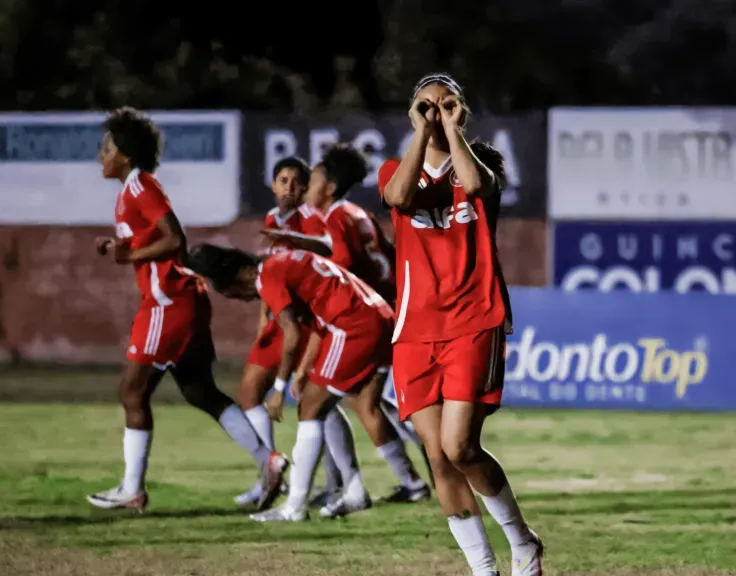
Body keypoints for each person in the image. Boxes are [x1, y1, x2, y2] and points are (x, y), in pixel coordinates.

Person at [377, 74, 543, 576]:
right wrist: (419, 135)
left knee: (460, 446)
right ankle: (483, 569)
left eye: (447, 103)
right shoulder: (396, 167)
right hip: (415, 328)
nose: (435, 111)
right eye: (425, 105)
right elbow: (401, 197)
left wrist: (450, 130)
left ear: (463, 110)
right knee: (438, 456)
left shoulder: (481, 166)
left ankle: (524, 541)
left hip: (474, 318)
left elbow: (472, 186)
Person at [88, 107, 273, 510]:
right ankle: (270, 462)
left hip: (167, 302)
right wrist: (116, 246)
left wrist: (129, 252)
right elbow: (149, 243)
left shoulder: (140, 187)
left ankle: (132, 489)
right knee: (200, 391)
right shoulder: (133, 191)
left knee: (131, 390)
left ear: (126, 154)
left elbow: (175, 240)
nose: (101, 156)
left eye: (107, 148)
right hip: (181, 300)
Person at [265, 145, 432, 511]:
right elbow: (383, 252)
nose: (309, 182)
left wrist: (307, 265)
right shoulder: (354, 213)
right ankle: (405, 478)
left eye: (317, 175)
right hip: (391, 309)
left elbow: (341, 264)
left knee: (338, 399)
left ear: (331, 184)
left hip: (374, 317)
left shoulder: (338, 216)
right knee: (366, 402)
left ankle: (393, 478)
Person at [185, 244, 393, 522]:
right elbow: (317, 323)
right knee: (322, 405)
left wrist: (279, 390)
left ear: (232, 281)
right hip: (376, 317)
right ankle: (354, 491)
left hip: (354, 326)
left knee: (310, 408)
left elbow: (292, 334)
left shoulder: (268, 275)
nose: (245, 301)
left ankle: (295, 506)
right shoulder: (284, 263)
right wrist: (304, 371)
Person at [233, 156, 361, 511]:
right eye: (282, 179)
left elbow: (328, 255)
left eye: (295, 181)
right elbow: (272, 278)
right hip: (280, 320)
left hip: (308, 323)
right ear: (273, 186)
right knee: (250, 395)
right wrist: (263, 318)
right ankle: (270, 475)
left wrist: (296, 239)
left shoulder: (312, 220)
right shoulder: (273, 220)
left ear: (306, 188)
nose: (289, 186)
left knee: (318, 403)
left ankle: (337, 483)